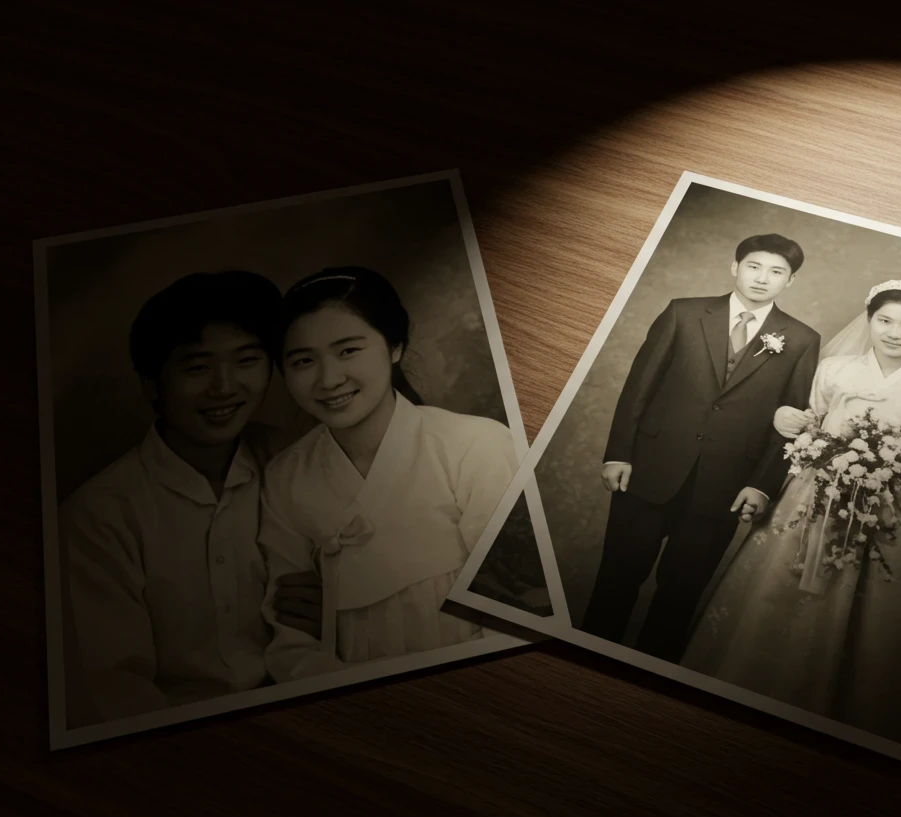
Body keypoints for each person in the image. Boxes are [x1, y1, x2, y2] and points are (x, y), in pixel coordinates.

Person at [682, 279, 901, 748]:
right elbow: (808, 425)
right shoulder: (836, 370)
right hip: (811, 504)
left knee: (870, 619)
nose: (893, 333)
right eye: (884, 320)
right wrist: (792, 424)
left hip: (885, 520)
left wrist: (888, 483)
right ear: (868, 321)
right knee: (779, 594)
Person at [258, 266, 519, 682]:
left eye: (348, 351)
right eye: (304, 360)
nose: (329, 380)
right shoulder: (286, 476)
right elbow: (292, 641)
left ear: (395, 345)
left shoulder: (476, 445)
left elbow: (516, 619)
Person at [61, 271, 292, 724]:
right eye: (197, 367)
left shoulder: (296, 464)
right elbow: (110, 694)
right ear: (152, 385)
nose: (224, 387)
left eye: (247, 360)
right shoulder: (99, 516)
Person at [578, 234, 821, 663]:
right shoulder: (684, 313)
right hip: (649, 472)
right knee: (616, 580)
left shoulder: (800, 339)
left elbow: (791, 421)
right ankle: (583, 665)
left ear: (791, 281)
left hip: (723, 489)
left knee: (681, 595)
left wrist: (762, 485)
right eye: (753, 267)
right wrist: (618, 453)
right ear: (735, 268)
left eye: (776, 272)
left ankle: (645, 683)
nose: (763, 279)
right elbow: (639, 388)